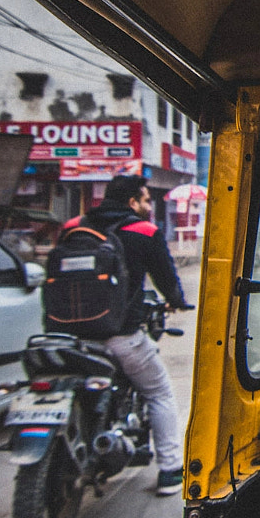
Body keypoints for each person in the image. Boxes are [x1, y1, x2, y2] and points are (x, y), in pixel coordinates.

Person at [69, 175, 189, 496]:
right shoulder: (144, 231)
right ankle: (169, 471)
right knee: (159, 391)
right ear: (133, 203)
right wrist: (178, 301)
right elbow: (167, 281)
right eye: (147, 200)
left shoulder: (74, 227)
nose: (150, 206)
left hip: (70, 338)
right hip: (120, 336)